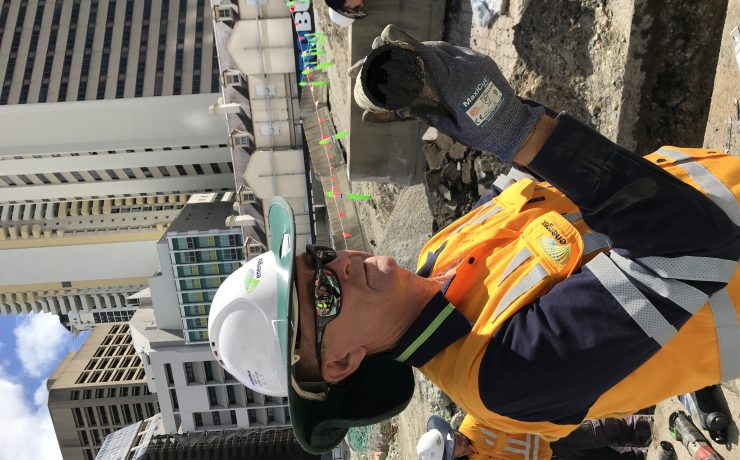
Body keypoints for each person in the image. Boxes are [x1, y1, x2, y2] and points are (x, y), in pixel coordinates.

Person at [207, 25, 740, 456]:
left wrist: (469, 100)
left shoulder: (439, 252)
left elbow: (554, 170)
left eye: (319, 258)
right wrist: (516, 130)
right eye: (323, 295)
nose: (340, 266)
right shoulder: (500, 378)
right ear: (342, 363)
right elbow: (690, 249)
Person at [416, 414, 652, 460]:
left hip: (551, 435)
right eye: (451, 446)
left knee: (600, 430)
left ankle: (647, 427)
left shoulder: (475, 420)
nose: (456, 438)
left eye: (451, 435)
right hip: (552, 459)